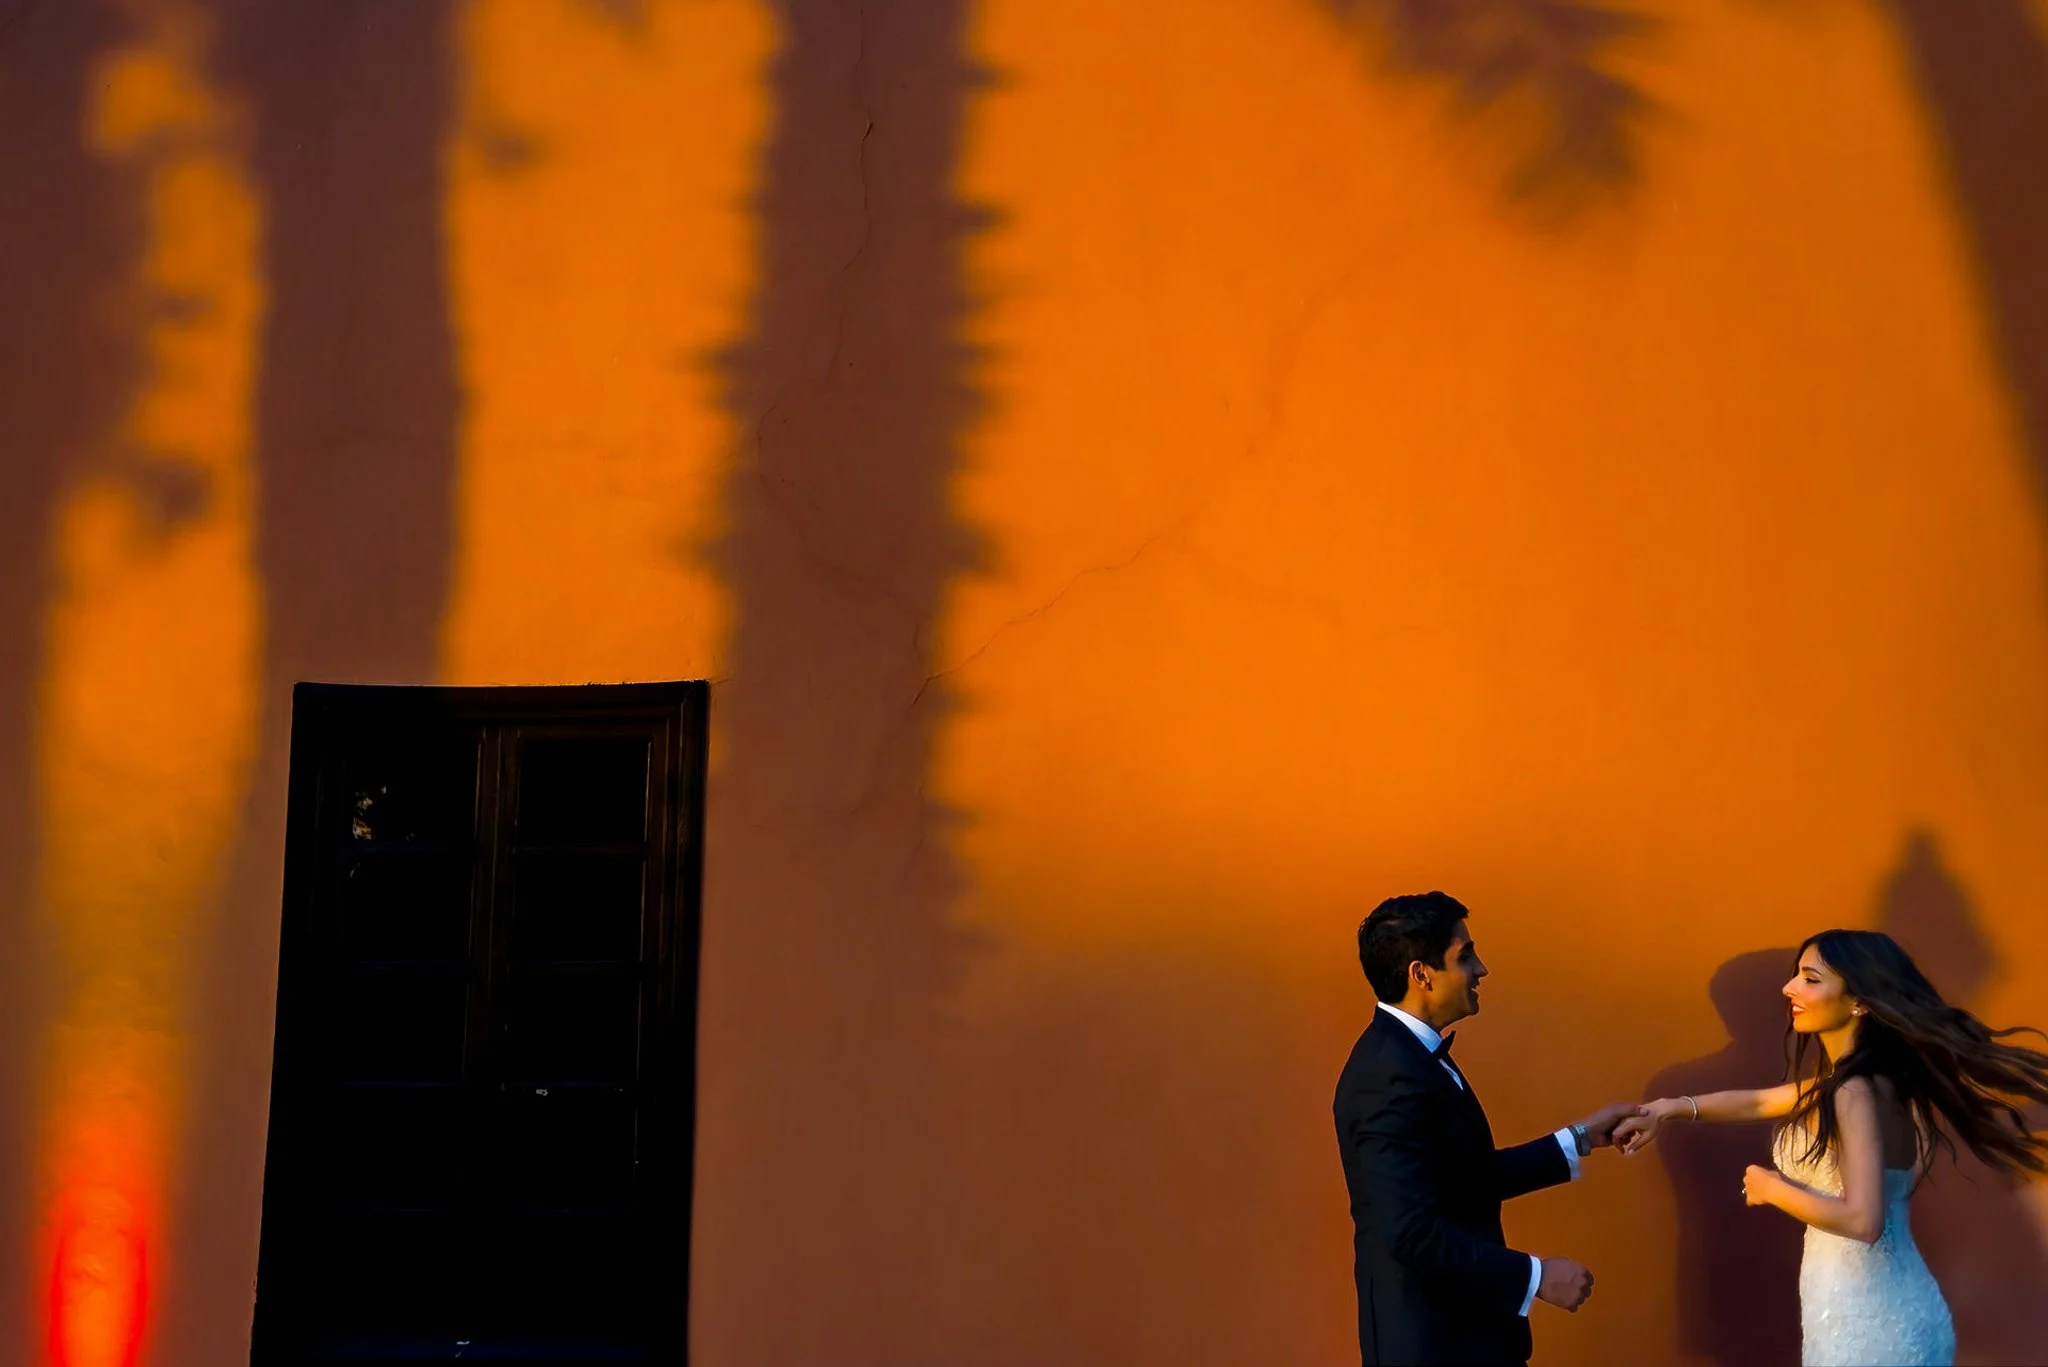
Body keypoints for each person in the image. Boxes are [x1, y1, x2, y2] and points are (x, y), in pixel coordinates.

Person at [1616, 929, 2048, 1366]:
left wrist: (1772, 1189)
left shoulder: (1854, 1092)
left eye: (1811, 978)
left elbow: (1864, 1221)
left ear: (1858, 999)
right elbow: (1759, 1100)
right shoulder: (1875, 1081)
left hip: (1866, 1318)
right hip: (1882, 1305)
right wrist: (1670, 1108)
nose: (1789, 989)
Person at [1333, 892, 1642, 1365]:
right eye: (1466, 956)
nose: (1482, 970)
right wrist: (1536, 1277)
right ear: (1421, 974)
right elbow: (1411, 1231)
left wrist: (1580, 1138)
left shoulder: (1412, 1058)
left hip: (1468, 1338)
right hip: (1432, 1344)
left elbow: (1463, 1178)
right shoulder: (1386, 1075)